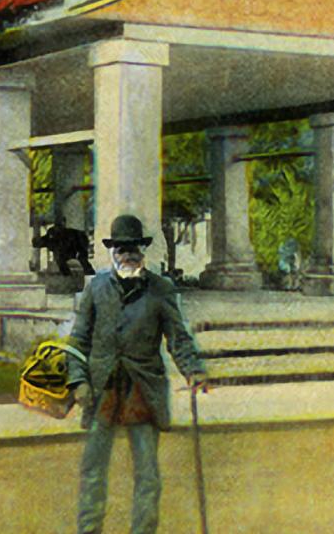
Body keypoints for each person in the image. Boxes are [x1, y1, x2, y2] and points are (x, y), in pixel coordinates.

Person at [66, 214, 208, 534]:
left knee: (147, 474)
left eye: (133, 248)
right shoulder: (97, 288)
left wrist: (194, 369)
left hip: (142, 390)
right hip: (102, 390)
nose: (127, 254)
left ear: (142, 251)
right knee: (93, 469)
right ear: (112, 251)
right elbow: (78, 340)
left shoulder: (160, 290)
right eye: (121, 248)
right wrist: (78, 380)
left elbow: (178, 336)